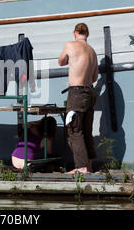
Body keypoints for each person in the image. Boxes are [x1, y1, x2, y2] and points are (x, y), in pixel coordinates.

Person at [58, 22, 98, 174]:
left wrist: (71, 60)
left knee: (74, 130)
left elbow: (61, 61)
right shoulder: (93, 52)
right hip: (90, 92)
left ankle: (81, 168)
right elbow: (94, 77)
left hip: (77, 93)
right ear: (87, 34)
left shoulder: (70, 44)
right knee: (86, 130)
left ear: (75, 32)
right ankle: (88, 165)